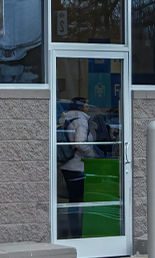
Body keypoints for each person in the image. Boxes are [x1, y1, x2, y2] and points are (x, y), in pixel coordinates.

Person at [58, 95, 96, 238]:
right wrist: (92, 155)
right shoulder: (81, 121)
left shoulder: (68, 119)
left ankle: (73, 230)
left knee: (73, 201)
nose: (88, 108)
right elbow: (80, 143)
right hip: (77, 166)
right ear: (80, 107)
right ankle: (77, 232)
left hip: (67, 165)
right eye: (86, 105)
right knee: (78, 201)